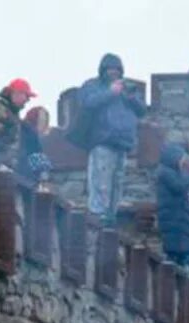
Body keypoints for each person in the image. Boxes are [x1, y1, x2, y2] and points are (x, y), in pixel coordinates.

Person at [77, 54, 145, 220]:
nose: (113, 72)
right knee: (101, 184)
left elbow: (142, 110)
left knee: (117, 185)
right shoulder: (93, 85)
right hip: (102, 141)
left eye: (116, 69)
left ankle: (110, 218)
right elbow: (87, 103)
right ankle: (97, 218)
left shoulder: (127, 88)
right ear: (103, 70)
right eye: (110, 69)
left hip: (122, 143)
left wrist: (130, 97)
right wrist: (110, 93)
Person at [156, 143, 189, 268]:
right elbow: (179, 187)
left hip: (180, 217)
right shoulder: (165, 172)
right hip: (172, 217)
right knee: (173, 253)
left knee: (183, 253)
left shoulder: (177, 173)